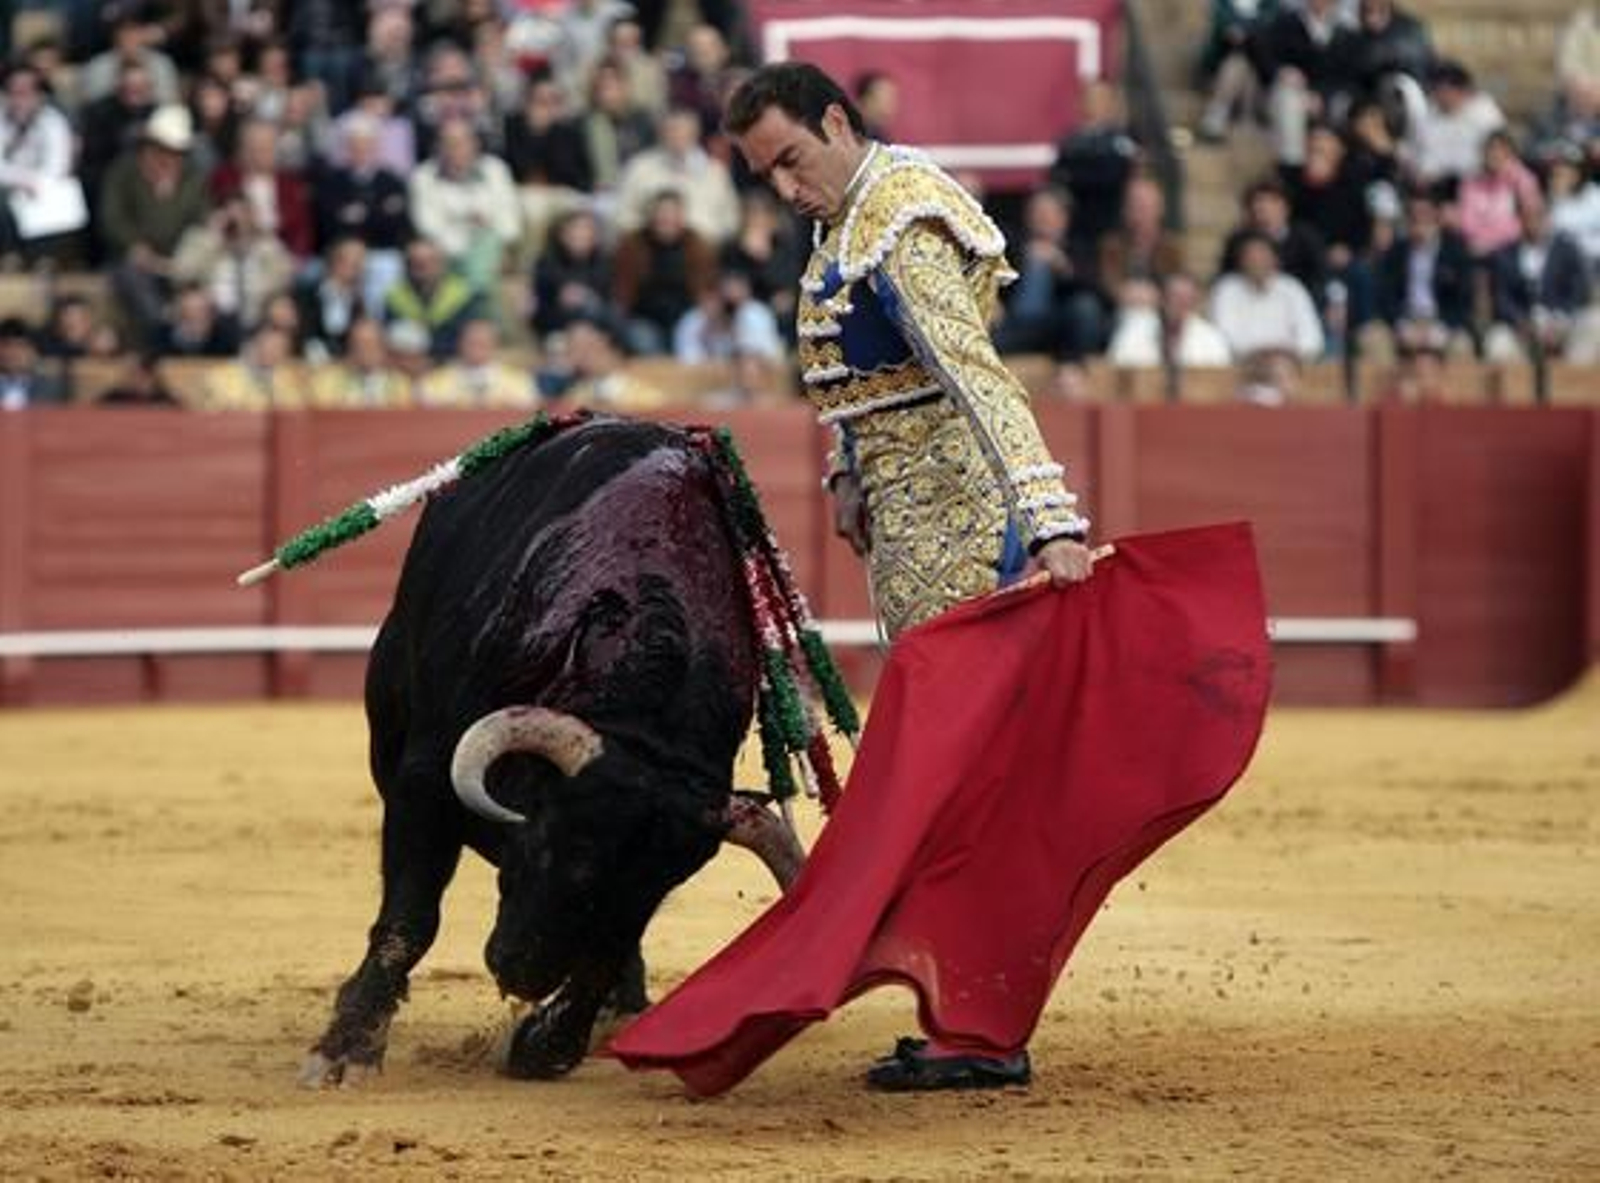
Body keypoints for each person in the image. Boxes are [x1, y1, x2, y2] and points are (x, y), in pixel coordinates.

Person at [612, 60, 1101, 1094]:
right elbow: (867, 385)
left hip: (970, 537)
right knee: (950, 785)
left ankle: (981, 1026)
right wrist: (844, 471)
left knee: (958, 789)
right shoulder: (847, 223)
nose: (785, 188)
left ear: (837, 121)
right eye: (765, 175)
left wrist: (1050, 518)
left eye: (791, 159)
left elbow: (977, 376)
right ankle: (968, 1012)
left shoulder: (901, 221)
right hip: (918, 542)